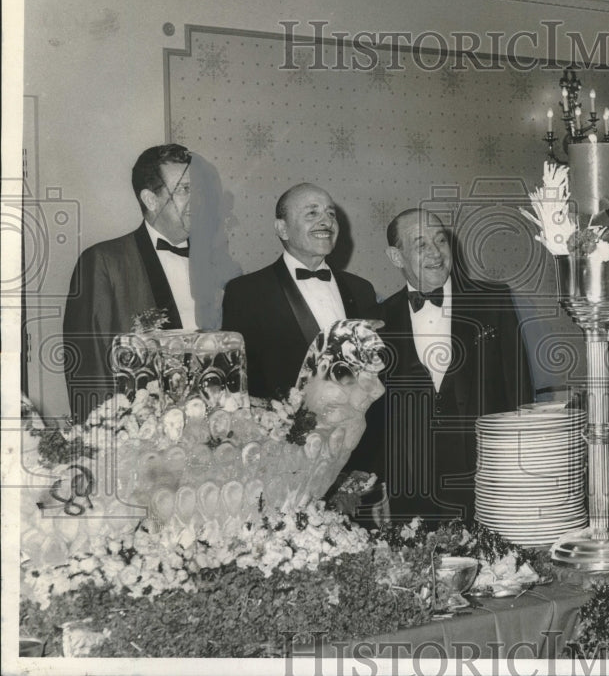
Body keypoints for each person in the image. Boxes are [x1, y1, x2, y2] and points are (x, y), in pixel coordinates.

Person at [351, 208, 534, 526]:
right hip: (412, 493)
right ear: (396, 257)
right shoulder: (377, 319)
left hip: (489, 481)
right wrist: (379, 487)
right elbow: (372, 418)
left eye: (440, 240)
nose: (436, 253)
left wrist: (522, 473)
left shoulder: (492, 301)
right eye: (421, 244)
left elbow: (519, 392)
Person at [63, 144, 201, 423]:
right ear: (151, 199)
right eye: (186, 189)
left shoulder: (216, 263)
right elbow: (88, 369)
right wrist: (105, 441)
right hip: (138, 437)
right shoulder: (103, 261)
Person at [221, 183, 378, 401]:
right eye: (312, 213)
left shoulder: (362, 290)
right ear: (282, 229)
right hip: (284, 431)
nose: (326, 222)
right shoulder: (246, 293)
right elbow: (237, 380)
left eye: (331, 213)